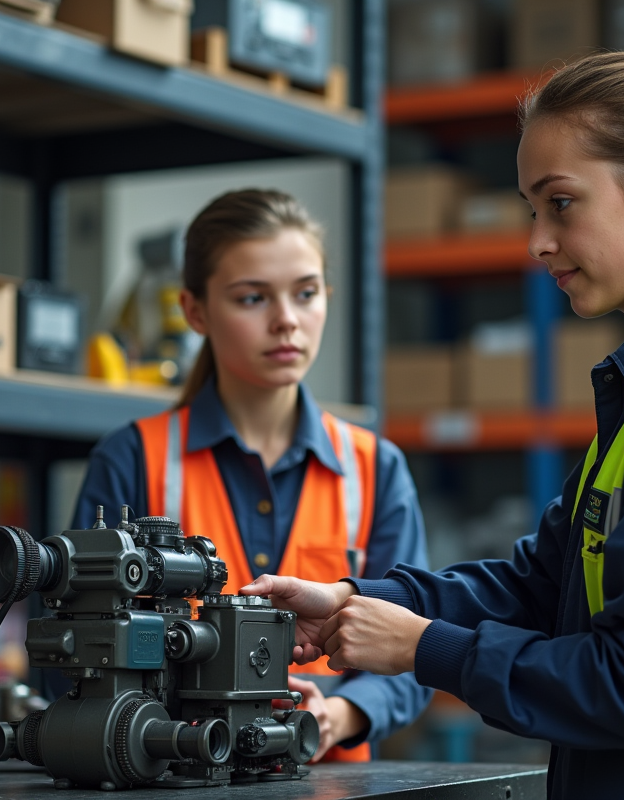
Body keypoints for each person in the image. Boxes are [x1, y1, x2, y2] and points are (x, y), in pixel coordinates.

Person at [242, 51, 624, 798]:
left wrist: (425, 648)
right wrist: (357, 601)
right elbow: (542, 586)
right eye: (532, 211)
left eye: (562, 203)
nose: (538, 240)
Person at [71, 189, 433, 762]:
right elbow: (75, 645)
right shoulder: (133, 459)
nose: (286, 320)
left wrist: (337, 715)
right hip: (174, 779)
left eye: (306, 293)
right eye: (252, 298)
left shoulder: (374, 469)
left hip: (329, 785)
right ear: (195, 311)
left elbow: (413, 647)